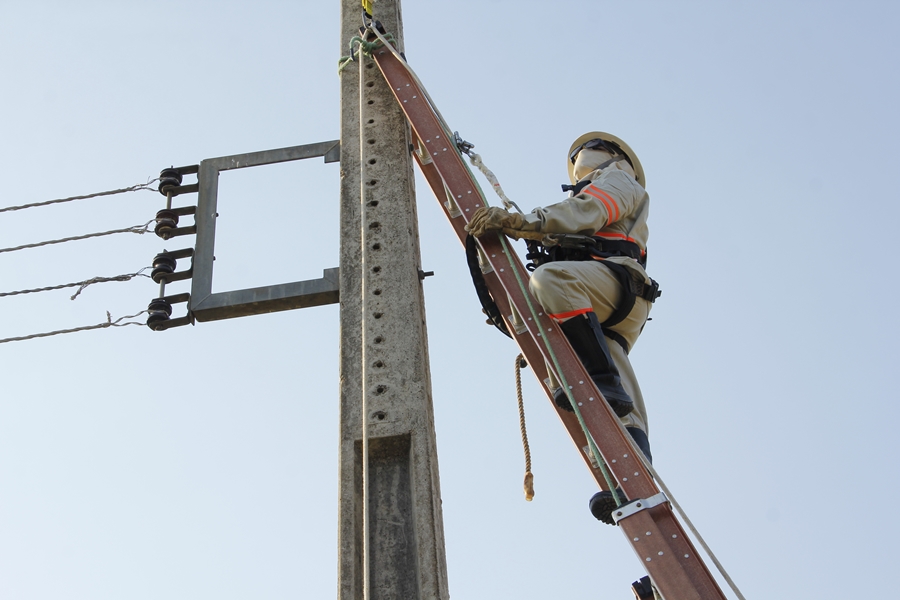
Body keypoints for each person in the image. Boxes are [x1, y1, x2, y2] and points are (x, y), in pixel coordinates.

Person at [465, 132, 660, 525]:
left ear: (612, 156)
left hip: (612, 283)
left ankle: (601, 380)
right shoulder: (589, 194)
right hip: (604, 297)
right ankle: (626, 479)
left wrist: (521, 222)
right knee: (598, 388)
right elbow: (575, 223)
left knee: (552, 282)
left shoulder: (619, 179)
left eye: (586, 152)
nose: (580, 159)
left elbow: (588, 212)